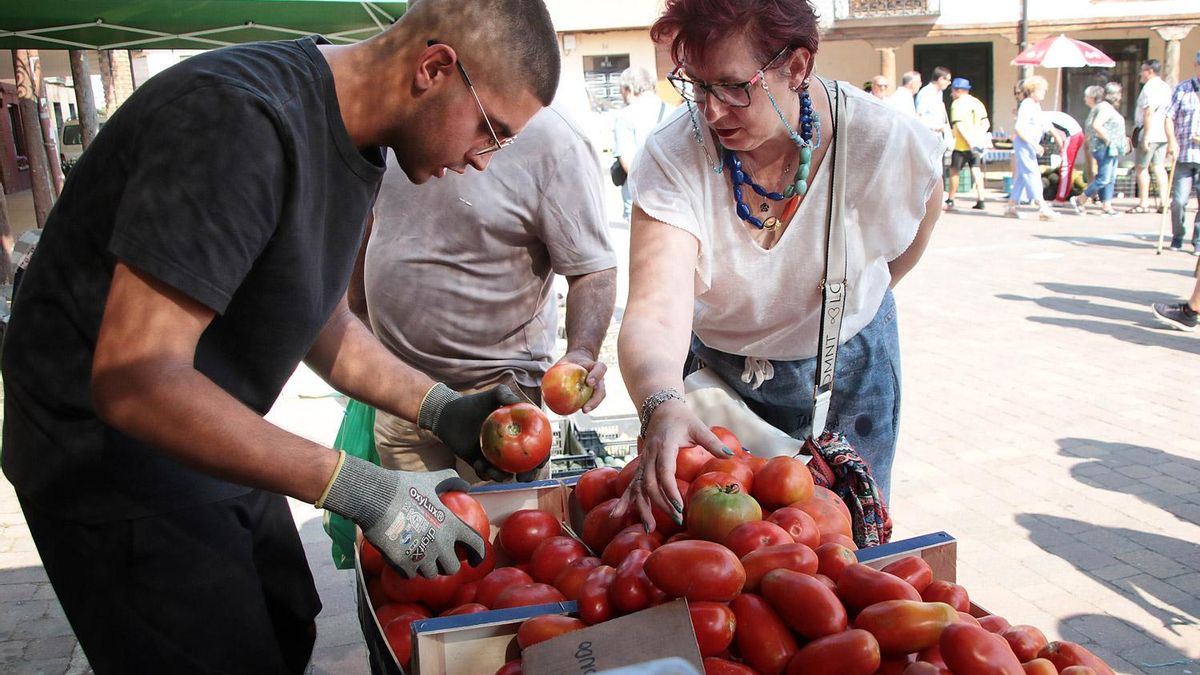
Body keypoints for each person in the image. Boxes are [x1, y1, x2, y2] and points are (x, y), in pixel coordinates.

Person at [0, 0, 560, 672]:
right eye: (489, 130)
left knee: (286, 624)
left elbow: (317, 317)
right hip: (111, 468)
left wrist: (441, 405)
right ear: (434, 68)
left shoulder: (362, 138)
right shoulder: (237, 122)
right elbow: (135, 379)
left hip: (208, 426)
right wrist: (359, 484)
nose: (482, 159)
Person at [614, 0, 943, 530]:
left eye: (733, 86)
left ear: (796, 66)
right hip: (719, 378)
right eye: (696, 86)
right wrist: (662, 400)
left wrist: (844, 303)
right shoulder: (674, 153)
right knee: (730, 544)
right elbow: (654, 308)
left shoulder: (880, 140)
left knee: (843, 544)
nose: (712, 111)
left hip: (851, 370)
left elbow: (915, 226)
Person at [352, 104, 618, 478]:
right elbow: (368, 215)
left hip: (498, 397)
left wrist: (581, 350)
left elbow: (591, 268)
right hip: (398, 389)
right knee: (412, 533)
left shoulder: (554, 139)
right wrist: (356, 314)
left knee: (500, 532)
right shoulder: (394, 117)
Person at [614, 66, 671, 220]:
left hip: (640, 200)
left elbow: (627, 163)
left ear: (628, 89)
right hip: (673, 199)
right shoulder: (673, 111)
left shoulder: (625, 116)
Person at [1007, 76, 1057, 220]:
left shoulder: (1035, 105)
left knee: (1023, 176)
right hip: (1025, 144)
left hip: (1030, 144)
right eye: (1041, 90)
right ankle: (1042, 206)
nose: (1043, 93)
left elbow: (1042, 124)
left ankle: (1011, 205)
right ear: (1033, 90)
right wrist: (1034, 144)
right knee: (1032, 173)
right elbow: (1019, 128)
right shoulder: (1027, 104)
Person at [1072, 83, 1126, 217]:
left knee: (1110, 178)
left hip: (1110, 148)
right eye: (1118, 93)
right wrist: (1108, 140)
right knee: (1104, 177)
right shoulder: (1105, 108)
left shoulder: (1106, 108)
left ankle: (1107, 206)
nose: (1120, 96)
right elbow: (1097, 125)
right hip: (1104, 147)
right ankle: (1080, 199)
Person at [1165, 50, 1200, 254]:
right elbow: (1169, 117)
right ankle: (1177, 235)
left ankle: (1198, 240)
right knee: (1179, 200)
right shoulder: (1183, 89)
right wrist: (1171, 141)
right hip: (1184, 154)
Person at [1130, 59, 1172, 214]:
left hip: (1150, 132)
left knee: (1142, 167)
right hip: (1162, 133)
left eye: (1143, 70)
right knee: (1159, 166)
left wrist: (1146, 135)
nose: (1141, 73)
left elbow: (1148, 112)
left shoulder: (1150, 88)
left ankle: (1144, 202)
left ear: (1150, 71)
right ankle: (1164, 201)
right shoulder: (1165, 87)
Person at [947, 77, 989, 210]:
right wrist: (978, 138)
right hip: (976, 144)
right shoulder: (977, 102)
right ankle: (981, 199)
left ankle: (951, 199)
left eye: (953, 91)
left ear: (958, 90)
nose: (952, 94)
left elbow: (958, 125)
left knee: (955, 171)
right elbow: (986, 123)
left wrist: (969, 140)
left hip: (961, 145)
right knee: (976, 170)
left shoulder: (957, 104)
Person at [1043, 109, 1085, 205]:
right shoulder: (1047, 115)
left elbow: (1056, 136)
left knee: (1065, 168)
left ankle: (1060, 198)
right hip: (1078, 134)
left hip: (1072, 135)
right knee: (1067, 168)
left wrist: (1061, 148)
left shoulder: (1040, 119)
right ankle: (1064, 195)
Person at [916, 66, 952, 145]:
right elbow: (919, 116)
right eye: (948, 80)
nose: (949, 83)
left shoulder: (939, 93)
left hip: (938, 137)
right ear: (940, 79)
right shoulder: (926, 93)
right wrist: (934, 127)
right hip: (927, 137)